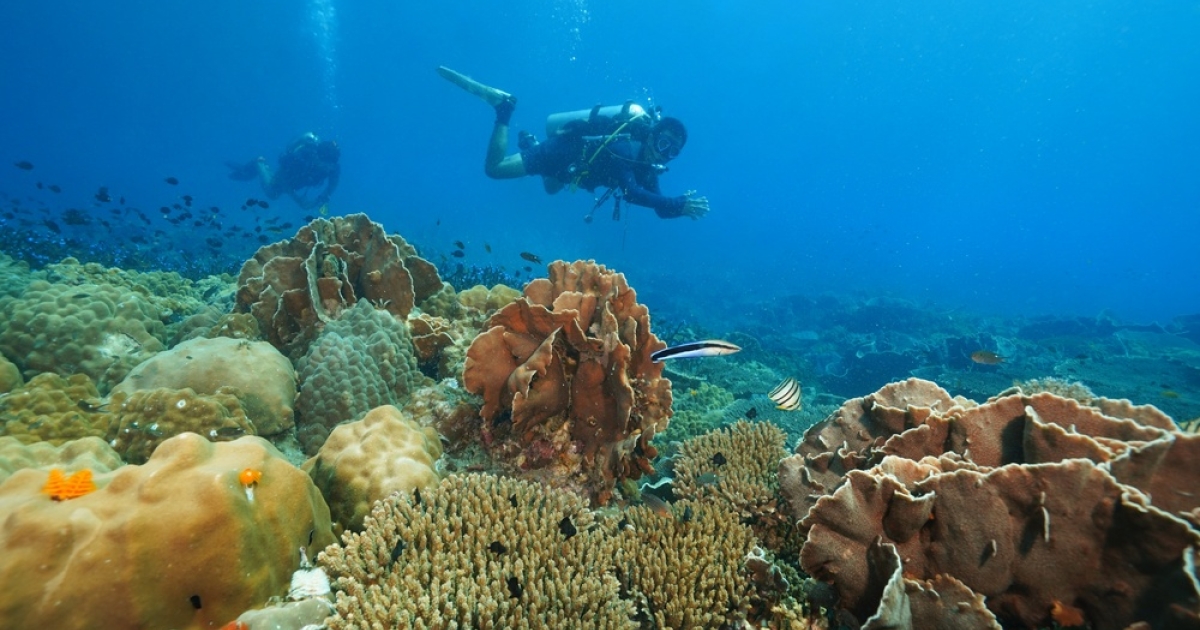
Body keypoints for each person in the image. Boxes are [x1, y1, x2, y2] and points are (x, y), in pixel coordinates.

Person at [438, 66, 709, 221]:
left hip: (573, 170)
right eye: (663, 144)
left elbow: (661, 208)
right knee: (495, 169)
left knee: (551, 188)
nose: (665, 154)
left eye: (672, 152)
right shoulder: (624, 149)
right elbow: (631, 193)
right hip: (561, 153)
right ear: (651, 136)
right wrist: (678, 203)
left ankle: (530, 142)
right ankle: (504, 108)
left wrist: (678, 208)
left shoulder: (647, 165)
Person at [227, 133, 341, 210]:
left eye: (330, 165)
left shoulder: (333, 168)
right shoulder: (303, 157)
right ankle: (259, 163)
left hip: (295, 184)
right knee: (273, 193)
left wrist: (320, 200)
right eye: (325, 164)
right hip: (284, 177)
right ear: (318, 157)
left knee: (276, 193)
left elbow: (330, 188)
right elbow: (282, 177)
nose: (327, 168)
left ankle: (256, 169)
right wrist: (298, 200)